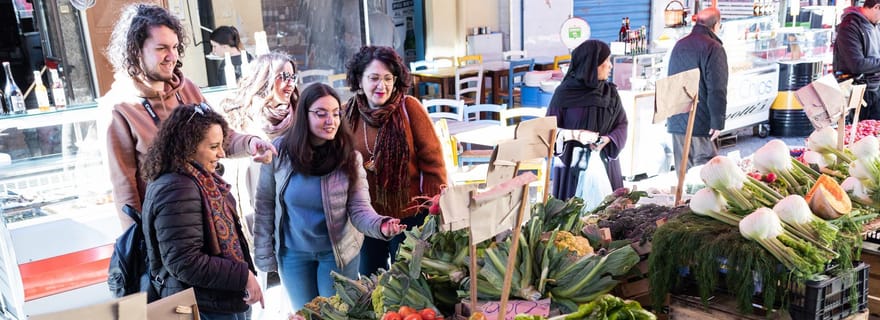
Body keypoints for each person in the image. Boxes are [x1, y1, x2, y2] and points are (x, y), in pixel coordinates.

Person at [102, 3, 276, 228]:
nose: (171, 56)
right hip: (169, 230)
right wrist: (140, 244)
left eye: (175, 47)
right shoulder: (119, 108)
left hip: (212, 216)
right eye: (161, 48)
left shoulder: (188, 89)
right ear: (136, 50)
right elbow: (125, 188)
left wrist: (251, 143)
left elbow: (222, 138)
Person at [253, 83, 405, 312]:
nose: (330, 120)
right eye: (321, 113)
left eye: (335, 113)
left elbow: (360, 208)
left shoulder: (348, 158)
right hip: (293, 254)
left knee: (336, 315)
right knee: (305, 314)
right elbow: (264, 204)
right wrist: (264, 253)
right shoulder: (280, 152)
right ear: (304, 115)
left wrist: (381, 225)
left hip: (337, 255)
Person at [141, 104, 263, 319]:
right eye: (214, 146)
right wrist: (242, 276)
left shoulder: (193, 178)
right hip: (205, 306)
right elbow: (184, 261)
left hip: (215, 299)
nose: (222, 153)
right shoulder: (178, 188)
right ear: (188, 146)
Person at [342, 46, 446, 276]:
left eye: (388, 78)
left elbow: (433, 162)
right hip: (368, 221)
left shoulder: (410, 108)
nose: (383, 85)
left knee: (410, 282)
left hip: (410, 218)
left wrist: (432, 206)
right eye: (374, 78)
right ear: (359, 81)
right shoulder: (346, 115)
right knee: (372, 283)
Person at [220, 52, 301, 239]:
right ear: (264, 79)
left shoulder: (300, 116)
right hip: (251, 206)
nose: (290, 83)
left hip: (292, 209)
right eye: (283, 77)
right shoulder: (239, 117)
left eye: (292, 77)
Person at [546, 40, 628, 200]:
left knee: (608, 216)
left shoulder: (610, 93)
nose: (610, 66)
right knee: (574, 220)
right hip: (573, 167)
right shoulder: (564, 94)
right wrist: (575, 135)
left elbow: (622, 124)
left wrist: (608, 139)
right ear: (591, 65)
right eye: (606, 62)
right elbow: (548, 131)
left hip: (605, 164)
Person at [666, 7, 728, 176]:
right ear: (716, 25)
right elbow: (717, 88)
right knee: (706, 173)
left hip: (676, 118)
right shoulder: (713, 47)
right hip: (700, 121)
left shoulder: (679, 44)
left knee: (684, 175)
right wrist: (718, 121)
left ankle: (684, 203)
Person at [834, 0, 880, 120]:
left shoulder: (875, 25)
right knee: (859, 133)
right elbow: (856, 64)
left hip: (874, 91)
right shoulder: (850, 26)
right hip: (856, 92)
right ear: (876, 7)